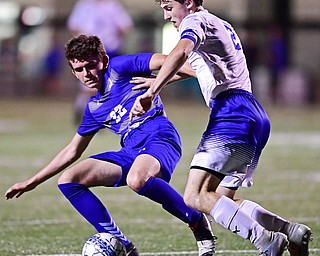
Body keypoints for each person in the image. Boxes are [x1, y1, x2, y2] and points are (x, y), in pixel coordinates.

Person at [4, 35, 216, 256]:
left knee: (137, 179)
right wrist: (32, 182)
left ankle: (196, 220)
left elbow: (176, 60)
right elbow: (73, 150)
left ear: (103, 60)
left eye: (90, 65)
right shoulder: (94, 108)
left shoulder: (120, 67)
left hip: (159, 136)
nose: (86, 74)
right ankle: (124, 246)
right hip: (130, 149)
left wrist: (163, 81)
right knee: (69, 180)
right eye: (78, 69)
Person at [130, 1, 313, 256]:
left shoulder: (194, 22)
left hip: (232, 114)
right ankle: (290, 231)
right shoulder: (219, 23)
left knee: (195, 196)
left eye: (170, 6)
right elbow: (199, 69)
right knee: (221, 199)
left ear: (190, 3)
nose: (166, 14)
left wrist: (152, 91)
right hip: (253, 115)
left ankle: (268, 241)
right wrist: (162, 79)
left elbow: (181, 52)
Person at [67, 0, 133, 124]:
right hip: (89, 50)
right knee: (90, 85)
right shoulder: (84, 5)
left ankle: (95, 114)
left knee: (105, 85)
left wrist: (114, 37)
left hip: (109, 50)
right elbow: (73, 26)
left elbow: (125, 26)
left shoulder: (112, 6)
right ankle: (84, 111)